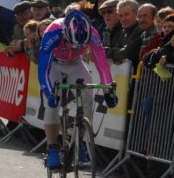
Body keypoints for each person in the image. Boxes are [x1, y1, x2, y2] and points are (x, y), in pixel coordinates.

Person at [38, 9, 117, 169]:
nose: (76, 47)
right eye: (72, 43)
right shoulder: (53, 32)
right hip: (54, 64)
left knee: (88, 95)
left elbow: (102, 63)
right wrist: (48, 91)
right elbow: (43, 69)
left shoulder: (93, 33)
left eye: (81, 45)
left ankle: (79, 142)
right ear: (65, 33)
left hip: (75, 63)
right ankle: (52, 148)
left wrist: (108, 91)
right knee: (53, 102)